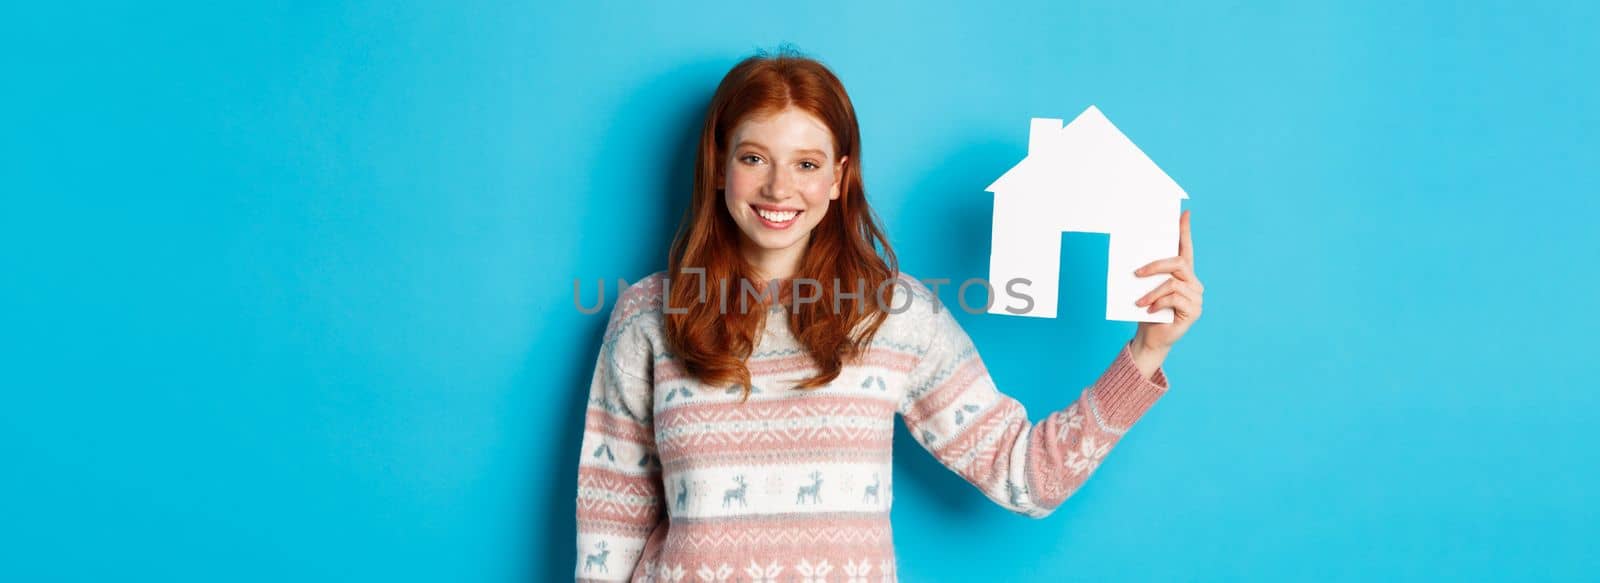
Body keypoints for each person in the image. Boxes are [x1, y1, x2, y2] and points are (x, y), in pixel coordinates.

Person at [574, 47, 1203, 582]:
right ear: (718, 165)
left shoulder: (894, 316)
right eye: (753, 158)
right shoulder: (648, 318)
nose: (778, 188)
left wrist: (1147, 353)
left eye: (807, 164)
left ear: (839, 178)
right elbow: (612, 519)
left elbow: (1025, 477)